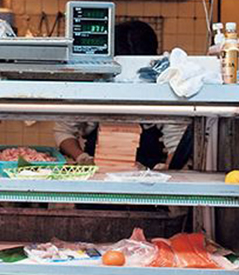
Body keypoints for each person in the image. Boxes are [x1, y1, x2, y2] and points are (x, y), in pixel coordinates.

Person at [56, 18, 190, 169]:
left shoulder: (163, 87)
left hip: (147, 181)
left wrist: (166, 171)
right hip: (96, 173)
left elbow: (176, 141)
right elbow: (63, 130)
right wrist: (82, 157)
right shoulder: (95, 85)